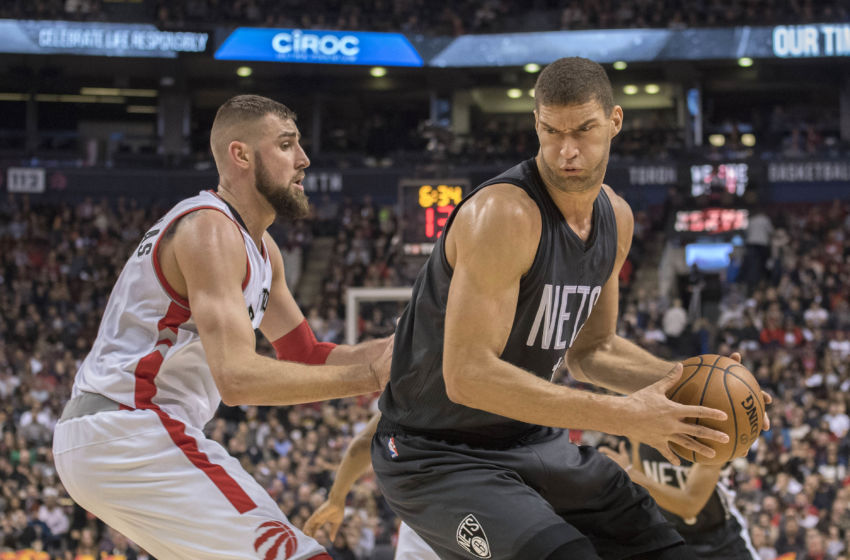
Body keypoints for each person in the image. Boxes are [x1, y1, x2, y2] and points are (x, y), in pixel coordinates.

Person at [370, 56, 753, 560]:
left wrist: (694, 389)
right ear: (536, 124)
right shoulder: (504, 214)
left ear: (615, 121)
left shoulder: (615, 217)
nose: (567, 150)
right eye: (551, 131)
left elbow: (593, 351)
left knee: (664, 547)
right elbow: (467, 375)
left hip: (530, 441)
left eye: (584, 130)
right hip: (436, 454)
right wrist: (625, 416)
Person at [52, 95, 393, 560]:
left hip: (122, 436)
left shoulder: (262, 249)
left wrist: (399, 352)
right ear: (242, 155)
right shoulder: (208, 229)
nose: (304, 159)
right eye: (287, 145)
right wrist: (373, 376)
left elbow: (305, 354)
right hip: (129, 427)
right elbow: (237, 378)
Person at [302, 413, 439, 560]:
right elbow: (364, 442)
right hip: (424, 516)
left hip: (427, 512)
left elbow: (364, 442)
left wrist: (337, 497)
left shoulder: (405, 399)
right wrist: (336, 498)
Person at [600, 438, 760, 559]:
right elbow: (643, 478)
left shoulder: (707, 432)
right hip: (675, 537)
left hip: (719, 540)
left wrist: (631, 474)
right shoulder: (641, 429)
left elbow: (689, 505)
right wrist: (632, 474)